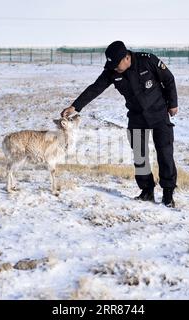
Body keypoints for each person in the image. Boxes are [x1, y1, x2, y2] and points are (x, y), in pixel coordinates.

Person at [61, 40, 178, 207]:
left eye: (117, 65)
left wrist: (173, 103)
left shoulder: (147, 60)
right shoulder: (111, 70)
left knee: (165, 153)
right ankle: (147, 191)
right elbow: (95, 88)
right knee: (140, 155)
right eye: (112, 66)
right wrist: (75, 106)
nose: (115, 68)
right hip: (137, 116)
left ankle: (168, 194)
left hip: (158, 113)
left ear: (126, 57)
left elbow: (169, 79)